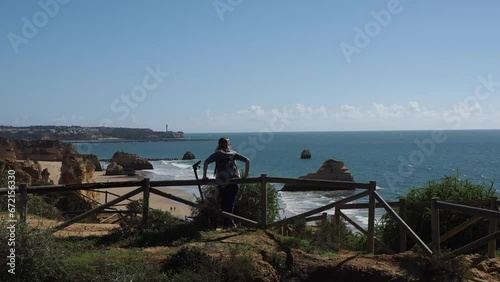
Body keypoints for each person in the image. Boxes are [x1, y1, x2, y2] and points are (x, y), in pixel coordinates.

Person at [202, 137, 250, 229]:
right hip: (234, 181)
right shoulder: (234, 154)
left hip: (222, 182)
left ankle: (228, 224)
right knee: (230, 203)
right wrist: (245, 176)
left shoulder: (217, 154)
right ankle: (229, 224)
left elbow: (206, 162)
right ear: (229, 145)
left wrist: (204, 176)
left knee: (223, 203)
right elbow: (247, 160)